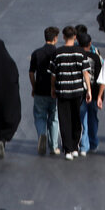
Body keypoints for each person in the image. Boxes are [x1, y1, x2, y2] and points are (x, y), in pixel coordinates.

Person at [50, 26, 93, 160]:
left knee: (64, 120)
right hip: (77, 91)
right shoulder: (81, 52)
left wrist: (52, 88)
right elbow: (86, 73)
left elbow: (53, 74)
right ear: (75, 37)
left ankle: (67, 149)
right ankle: (75, 146)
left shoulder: (58, 53)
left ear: (63, 37)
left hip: (62, 91)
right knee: (76, 119)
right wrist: (89, 90)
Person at [28, 26, 61, 155]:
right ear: (55, 38)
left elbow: (31, 73)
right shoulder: (58, 53)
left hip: (40, 90)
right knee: (54, 118)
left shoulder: (36, 53)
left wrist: (34, 87)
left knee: (39, 116)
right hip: (54, 91)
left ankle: (42, 135)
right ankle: (54, 146)